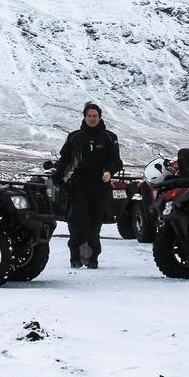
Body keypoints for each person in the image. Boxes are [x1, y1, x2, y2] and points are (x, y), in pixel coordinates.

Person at [53, 101, 123, 268]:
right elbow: (65, 160)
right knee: (78, 222)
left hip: (99, 185)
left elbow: (116, 161)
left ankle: (92, 259)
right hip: (79, 185)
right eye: (89, 116)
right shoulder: (74, 137)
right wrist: (57, 176)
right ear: (84, 117)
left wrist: (109, 171)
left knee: (94, 225)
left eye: (95, 116)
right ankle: (75, 257)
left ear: (100, 117)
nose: (92, 118)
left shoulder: (109, 137)